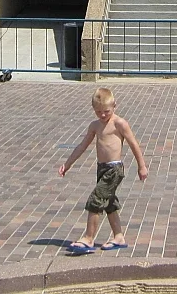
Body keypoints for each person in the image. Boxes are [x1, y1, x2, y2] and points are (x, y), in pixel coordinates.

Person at [58, 87, 148, 254]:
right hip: (102, 168)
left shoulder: (119, 123)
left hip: (114, 169)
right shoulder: (94, 126)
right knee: (109, 203)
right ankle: (118, 237)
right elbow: (82, 146)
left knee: (96, 200)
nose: (103, 115)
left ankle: (88, 238)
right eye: (98, 112)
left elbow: (134, 144)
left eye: (106, 111)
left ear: (115, 106)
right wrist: (68, 163)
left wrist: (141, 166)